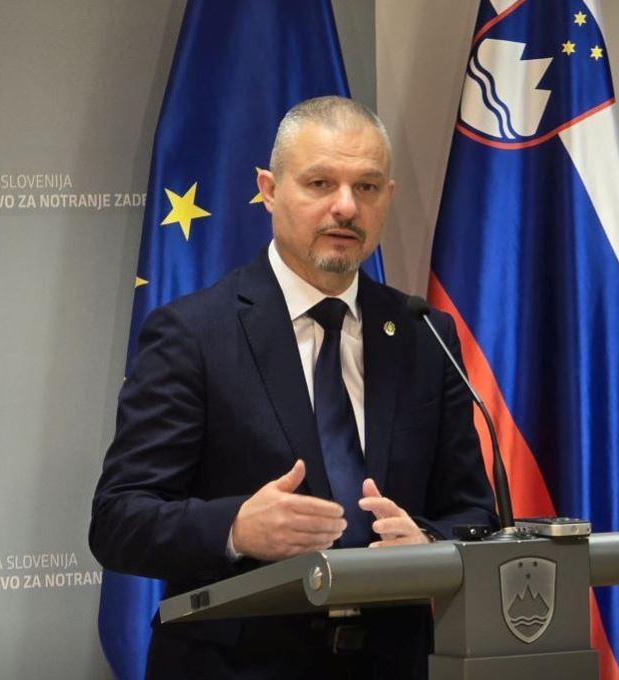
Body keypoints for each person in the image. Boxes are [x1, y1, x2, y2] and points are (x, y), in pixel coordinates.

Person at [89, 96, 497, 679]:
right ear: (270, 190)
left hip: (395, 663)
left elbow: (473, 511)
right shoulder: (193, 333)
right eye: (320, 183)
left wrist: (429, 544)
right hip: (236, 667)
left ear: (388, 197)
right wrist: (236, 528)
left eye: (367, 187)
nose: (345, 207)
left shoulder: (423, 333)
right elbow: (119, 520)